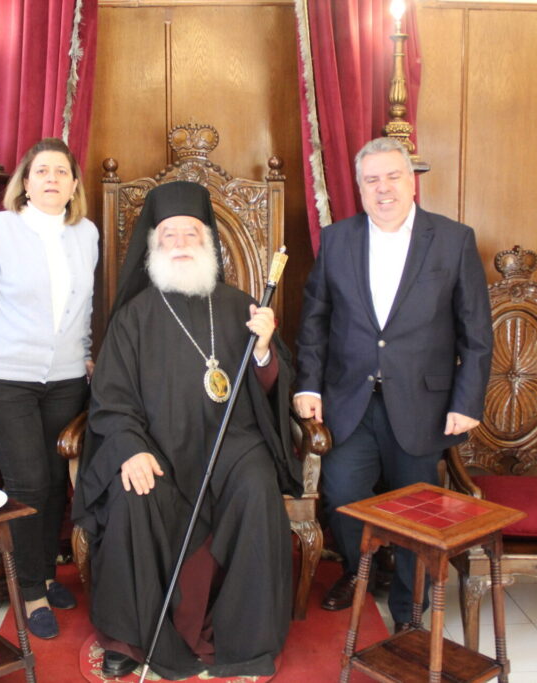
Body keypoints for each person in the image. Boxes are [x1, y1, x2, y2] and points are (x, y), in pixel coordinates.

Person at [73, 181, 301, 680]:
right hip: (156, 449)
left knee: (258, 484)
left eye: (190, 233)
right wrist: (130, 448)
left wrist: (264, 349)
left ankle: (246, 639)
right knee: (133, 492)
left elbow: (271, 386)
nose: (180, 243)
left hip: (232, 448)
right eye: (169, 234)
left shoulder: (242, 307)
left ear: (207, 241)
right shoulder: (133, 318)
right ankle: (129, 637)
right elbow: (111, 399)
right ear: (154, 244)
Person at [294, 137, 492, 629]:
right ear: (359, 188)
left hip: (424, 403)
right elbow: (315, 320)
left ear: (411, 181)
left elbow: (476, 331)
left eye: (392, 177)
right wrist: (308, 386)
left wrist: (467, 401)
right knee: (342, 496)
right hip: (349, 399)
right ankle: (358, 570)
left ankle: (408, 610)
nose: (383, 189)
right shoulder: (337, 239)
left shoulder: (453, 240)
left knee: (417, 510)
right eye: (371, 180)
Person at [0, 137, 98, 640]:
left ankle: (46, 575)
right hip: (8, 379)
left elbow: (83, 306)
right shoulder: (0, 229)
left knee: (56, 481)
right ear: (26, 181)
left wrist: (85, 353)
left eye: (61, 172)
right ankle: (31, 591)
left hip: (66, 380)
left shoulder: (86, 233)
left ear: (74, 184)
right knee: (27, 483)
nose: (52, 179)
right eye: (42, 171)